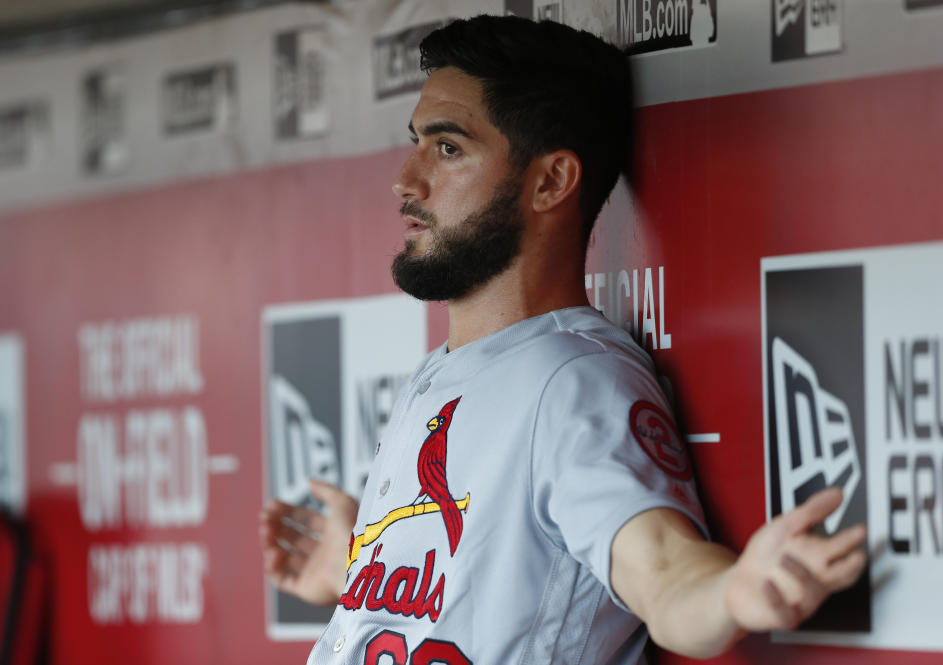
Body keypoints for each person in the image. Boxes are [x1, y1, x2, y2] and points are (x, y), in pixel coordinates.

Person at [260, 15, 866, 664]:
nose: (405, 181)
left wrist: (727, 594)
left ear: (550, 181)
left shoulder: (572, 379)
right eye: (418, 143)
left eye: (448, 148)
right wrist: (363, 566)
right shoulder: (435, 377)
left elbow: (661, 570)